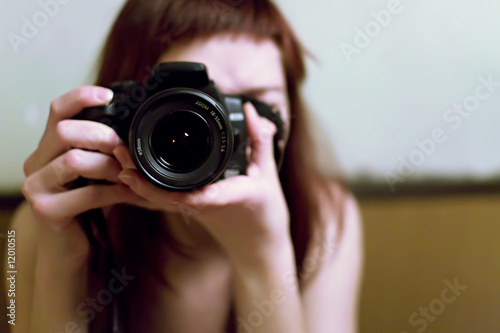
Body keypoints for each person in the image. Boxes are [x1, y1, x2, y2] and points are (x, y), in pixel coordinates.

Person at [9, 0, 363, 332]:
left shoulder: (325, 220)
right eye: (190, 107)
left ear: (288, 109)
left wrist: (263, 254)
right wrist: (62, 263)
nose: (218, 126)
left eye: (255, 102)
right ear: (128, 112)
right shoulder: (49, 219)